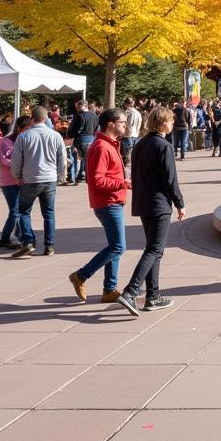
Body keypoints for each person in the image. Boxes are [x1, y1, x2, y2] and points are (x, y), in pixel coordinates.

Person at [115, 106, 186, 315]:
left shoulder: (140, 144)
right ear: (163, 123)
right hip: (159, 203)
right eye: (171, 121)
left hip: (143, 202)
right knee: (154, 249)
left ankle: (152, 296)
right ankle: (131, 291)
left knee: (154, 249)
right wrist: (180, 203)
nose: (173, 124)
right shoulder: (163, 146)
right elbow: (170, 179)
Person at [69, 107, 131, 304]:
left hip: (113, 201)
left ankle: (110, 289)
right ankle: (81, 275)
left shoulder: (109, 144)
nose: (125, 125)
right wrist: (123, 183)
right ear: (111, 124)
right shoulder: (102, 147)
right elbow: (96, 180)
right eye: (122, 122)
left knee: (115, 246)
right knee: (118, 246)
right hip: (107, 203)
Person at [10, 106, 66, 256]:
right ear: (46, 118)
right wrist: (61, 176)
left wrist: (17, 175)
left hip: (30, 178)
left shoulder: (24, 136)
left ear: (31, 118)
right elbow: (62, 158)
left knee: (24, 211)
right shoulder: (55, 136)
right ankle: (49, 245)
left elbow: (16, 159)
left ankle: (28, 240)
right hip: (50, 179)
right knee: (49, 213)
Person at [0, 114, 30, 248]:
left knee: (22, 211)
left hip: (24, 181)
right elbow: (1, 159)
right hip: (9, 182)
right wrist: (18, 164)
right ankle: (4, 239)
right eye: (26, 128)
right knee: (15, 212)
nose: (29, 131)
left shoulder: (27, 140)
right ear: (19, 128)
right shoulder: (6, 140)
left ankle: (20, 237)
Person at [67, 100, 98, 183]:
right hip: (91, 138)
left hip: (81, 139)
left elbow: (75, 129)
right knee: (87, 158)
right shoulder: (94, 115)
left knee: (76, 157)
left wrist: (70, 135)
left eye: (78, 107)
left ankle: (75, 176)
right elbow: (96, 128)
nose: (77, 109)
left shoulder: (79, 116)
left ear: (81, 106)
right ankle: (83, 174)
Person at [121, 97, 142, 166]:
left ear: (126, 104)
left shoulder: (127, 112)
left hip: (128, 136)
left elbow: (127, 124)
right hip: (136, 136)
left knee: (127, 158)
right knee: (133, 157)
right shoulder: (138, 113)